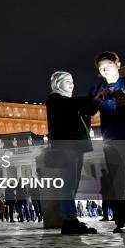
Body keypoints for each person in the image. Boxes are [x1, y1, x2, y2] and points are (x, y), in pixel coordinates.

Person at [89, 52, 125, 233]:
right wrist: (96, 100)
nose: (105, 69)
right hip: (111, 139)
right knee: (117, 180)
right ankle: (121, 220)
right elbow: (88, 110)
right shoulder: (96, 89)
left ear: (118, 64)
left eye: (108, 64)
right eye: (101, 67)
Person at [47, 70, 101, 234]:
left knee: (73, 183)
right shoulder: (55, 99)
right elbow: (73, 104)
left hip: (76, 146)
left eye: (72, 81)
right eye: (68, 81)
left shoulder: (71, 102)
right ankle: (69, 220)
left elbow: (90, 110)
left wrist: (97, 99)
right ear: (57, 84)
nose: (72, 84)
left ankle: (71, 219)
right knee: (68, 183)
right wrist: (90, 99)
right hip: (66, 147)